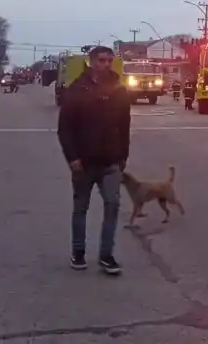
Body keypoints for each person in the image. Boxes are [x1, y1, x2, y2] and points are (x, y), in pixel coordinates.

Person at [57, 45, 131, 276]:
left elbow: (125, 126)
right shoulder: (77, 89)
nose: (106, 64)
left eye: (109, 60)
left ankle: (106, 256)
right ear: (91, 62)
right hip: (84, 162)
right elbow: (65, 129)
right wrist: (73, 159)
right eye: (101, 60)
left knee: (113, 206)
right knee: (81, 208)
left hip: (111, 162)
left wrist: (123, 157)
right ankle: (78, 252)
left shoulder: (119, 89)